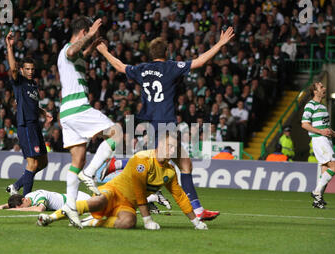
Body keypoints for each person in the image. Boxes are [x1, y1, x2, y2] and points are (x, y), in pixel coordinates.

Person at [95, 27, 235, 221]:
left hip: (151, 122)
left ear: (151, 54)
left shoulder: (142, 69)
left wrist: (103, 51)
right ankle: (117, 163)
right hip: (165, 123)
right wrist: (220, 43)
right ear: (166, 52)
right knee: (161, 161)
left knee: (184, 165)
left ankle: (198, 209)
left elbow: (119, 66)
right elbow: (200, 61)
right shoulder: (170, 67)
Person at [44, 132, 208, 230]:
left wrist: (196, 222)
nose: (171, 150)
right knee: (98, 202)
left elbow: (179, 196)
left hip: (127, 205)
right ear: (159, 144)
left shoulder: (170, 172)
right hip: (113, 192)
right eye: (168, 146)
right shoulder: (143, 159)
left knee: (129, 222)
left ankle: (92, 222)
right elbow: (138, 190)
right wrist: (147, 220)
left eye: (174, 148)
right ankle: (50, 218)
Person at [57, 17, 122, 218]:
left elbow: (80, 53)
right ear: (83, 32)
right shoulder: (68, 49)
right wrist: (92, 35)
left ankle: (70, 206)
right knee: (117, 132)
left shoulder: (76, 55)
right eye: (88, 34)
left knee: (78, 159)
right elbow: (72, 50)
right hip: (78, 107)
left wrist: (92, 45)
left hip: (67, 112)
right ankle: (91, 173)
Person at [5, 31, 53, 196]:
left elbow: (32, 103)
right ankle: (26, 198)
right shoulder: (19, 82)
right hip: (25, 125)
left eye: (32, 69)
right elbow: (12, 69)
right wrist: (9, 47)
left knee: (43, 162)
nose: (31, 71)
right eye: (27, 69)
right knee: (32, 164)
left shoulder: (33, 85)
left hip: (35, 125)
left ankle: (16, 186)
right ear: (22, 70)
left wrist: (43, 111)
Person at [301, 81, 335, 209]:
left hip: (326, 139)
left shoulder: (322, 107)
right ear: (315, 92)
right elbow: (304, 124)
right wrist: (321, 132)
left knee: (325, 170)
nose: (324, 88)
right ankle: (316, 191)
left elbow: (326, 127)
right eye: (321, 87)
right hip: (319, 140)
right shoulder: (310, 105)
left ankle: (318, 200)